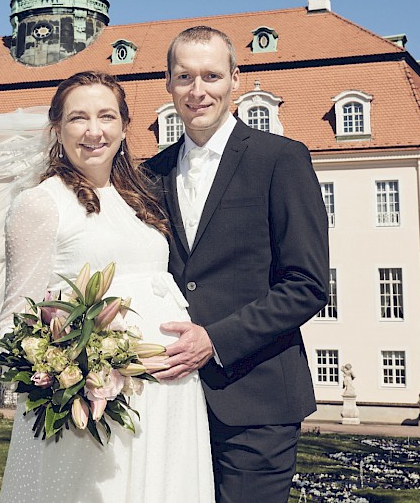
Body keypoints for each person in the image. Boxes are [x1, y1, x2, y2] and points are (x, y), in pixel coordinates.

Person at [0, 71, 214, 502]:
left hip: (169, 397)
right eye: (79, 118)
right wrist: (79, 377)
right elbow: (14, 321)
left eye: (106, 116)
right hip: (97, 409)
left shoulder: (136, 196)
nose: (94, 131)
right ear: (57, 129)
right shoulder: (42, 203)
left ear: (124, 126)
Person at [143, 26, 329, 503]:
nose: (198, 90)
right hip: (170, 401)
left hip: (258, 398)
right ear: (168, 83)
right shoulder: (150, 173)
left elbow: (306, 285)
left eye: (211, 75)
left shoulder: (281, 159)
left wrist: (216, 340)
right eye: (184, 77)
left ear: (235, 80)